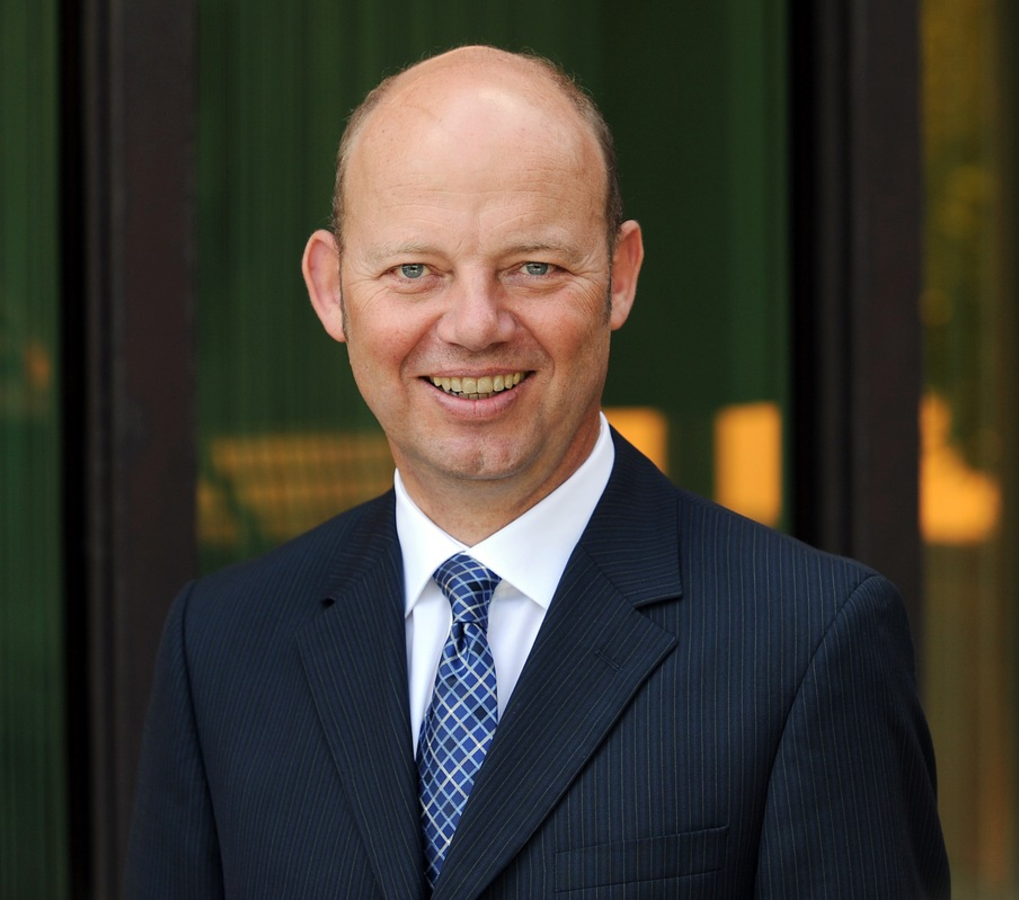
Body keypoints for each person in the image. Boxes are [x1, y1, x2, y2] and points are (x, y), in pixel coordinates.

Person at [126, 45, 949, 899]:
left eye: (534, 267)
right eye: (415, 271)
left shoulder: (808, 644)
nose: (475, 325)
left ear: (619, 276)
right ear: (331, 289)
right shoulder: (220, 649)